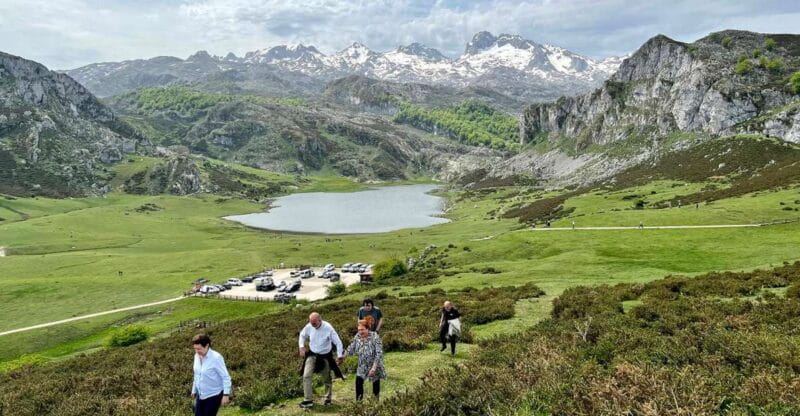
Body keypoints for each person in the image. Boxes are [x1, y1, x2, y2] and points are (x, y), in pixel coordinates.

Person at [298, 312, 345, 408]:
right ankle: (308, 400)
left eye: (314, 323)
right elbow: (302, 335)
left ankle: (328, 399)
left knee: (327, 378)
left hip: (325, 356)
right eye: (311, 322)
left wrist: (340, 356)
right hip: (312, 355)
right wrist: (301, 347)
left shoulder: (328, 328)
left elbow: (338, 342)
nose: (312, 325)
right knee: (306, 375)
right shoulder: (309, 326)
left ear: (320, 320)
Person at [340, 319, 386, 401]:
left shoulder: (375, 336)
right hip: (362, 364)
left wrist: (374, 368)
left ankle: (375, 403)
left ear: (368, 329)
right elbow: (351, 347)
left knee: (375, 383)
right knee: (358, 382)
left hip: (375, 364)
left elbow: (379, 353)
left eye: (362, 330)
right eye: (359, 330)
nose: (360, 332)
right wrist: (343, 357)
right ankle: (359, 404)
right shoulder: (357, 336)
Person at [191, 334, 232, 416]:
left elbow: (225, 377)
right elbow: (197, 374)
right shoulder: (196, 356)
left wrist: (226, 395)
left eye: (199, 349)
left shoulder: (216, 358)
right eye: (195, 349)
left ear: (207, 345)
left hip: (214, 395)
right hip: (201, 394)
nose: (197, 351)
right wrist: (194, 390)